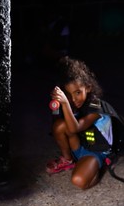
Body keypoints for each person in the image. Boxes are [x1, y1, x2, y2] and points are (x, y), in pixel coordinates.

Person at [46, 56, 113, 189]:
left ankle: (99, 165)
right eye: (69, 95)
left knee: (79, 181)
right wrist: (56, 105)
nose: (74, 99)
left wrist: (65, 103)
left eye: (78, 92)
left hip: (96, 151)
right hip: (80, 145)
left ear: (87, 88)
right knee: (59, 125)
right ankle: (68, 160)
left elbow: (75, 129)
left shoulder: (96, 106)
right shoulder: (72, 103)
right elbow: (57, 125)